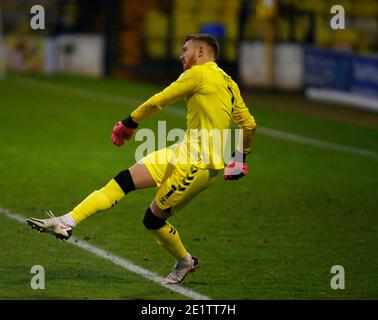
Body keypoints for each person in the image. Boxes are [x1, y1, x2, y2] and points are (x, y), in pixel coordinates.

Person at [27, 34, 257, 284]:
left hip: (198, 164)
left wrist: (129, 122)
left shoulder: (198, 74)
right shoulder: (229, 82)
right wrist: (240, 157)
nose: (181, 55)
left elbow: (159, 101)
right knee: (123, 180)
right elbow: (249, 124)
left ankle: (185, 261)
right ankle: (66, 222)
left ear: (201, 52)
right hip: (182, 151)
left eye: (185, 50)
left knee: (153, 219)